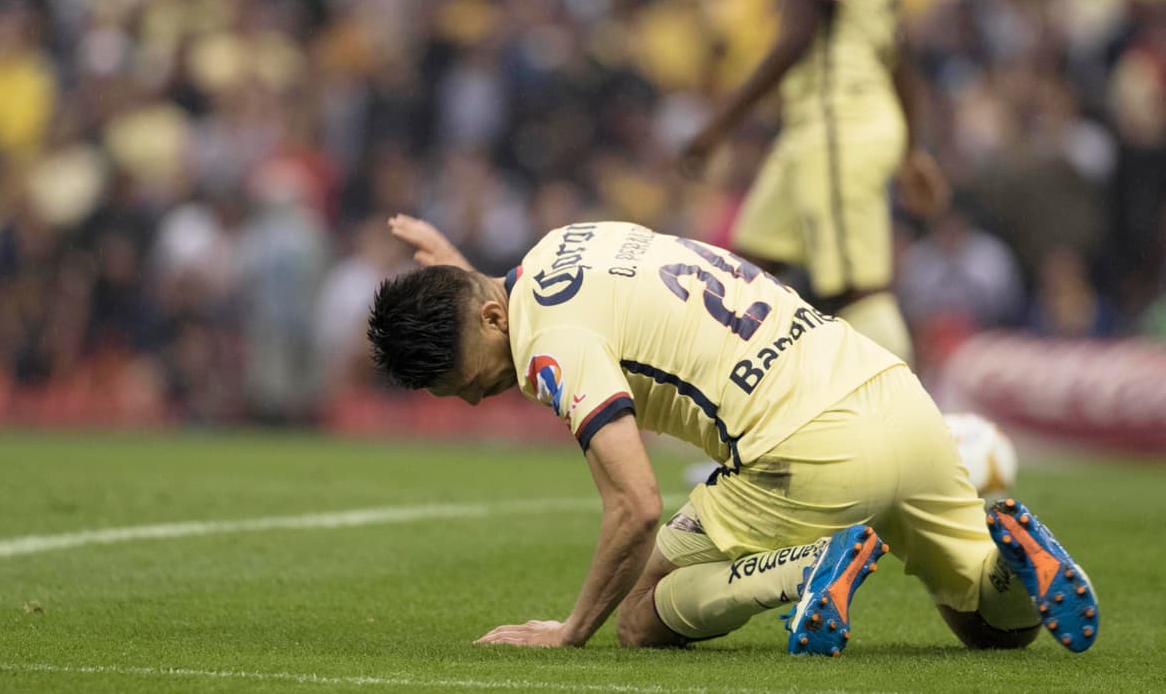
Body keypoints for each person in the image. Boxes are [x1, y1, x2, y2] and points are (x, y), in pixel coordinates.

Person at [368, 215, 1099, 655]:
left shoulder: (548, 345)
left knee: (639, 617)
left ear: (494, 321)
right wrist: (455, 271)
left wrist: (569, 628)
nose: (473, 398)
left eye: (467, 379)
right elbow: (505, 301)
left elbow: (637, 503)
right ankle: (1010, 559)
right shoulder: (562, 245)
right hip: (893, 393)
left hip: (804, 450)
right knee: (991, 627)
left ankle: (805, 568)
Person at [682, 0, 948, 364]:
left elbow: (798, 33)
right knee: (745, 275)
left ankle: (911, 431)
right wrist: (913, 146)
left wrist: (718, 125)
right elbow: (892, 39)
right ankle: (730, 424)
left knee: (859, 293)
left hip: (836, 123)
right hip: (841, 120)